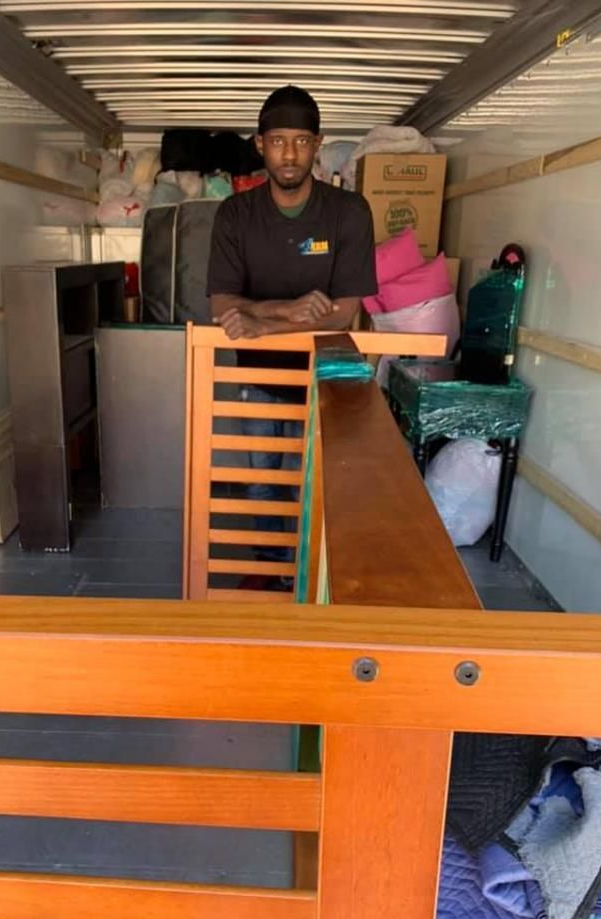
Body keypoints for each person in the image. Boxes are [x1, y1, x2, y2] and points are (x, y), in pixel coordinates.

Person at [207, 85, 378, 585]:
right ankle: (269, 568)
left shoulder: (349, 212)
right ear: (260, 145)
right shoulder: (235, 215)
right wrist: (288, 308)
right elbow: (222, 303)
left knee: (315, 483)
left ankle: (309, 577)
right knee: (262, 481)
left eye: (301, 141)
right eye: (278, 141)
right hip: (258, 377)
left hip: (324, 376)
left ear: (318, 144)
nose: (289, 153)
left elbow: (343, 313)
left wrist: (259, 322)